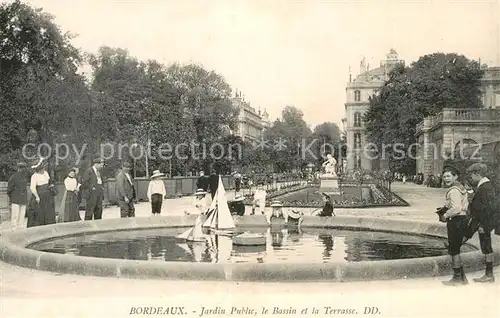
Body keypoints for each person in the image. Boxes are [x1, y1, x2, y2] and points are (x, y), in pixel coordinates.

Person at [464, 163, 497, 283]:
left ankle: (489, 275)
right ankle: (489, 275)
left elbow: (490, 208)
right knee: (485, 247)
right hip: (480, 221)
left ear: (477, 173)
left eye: (471, 175)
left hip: (483, 223)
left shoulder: (485, 187)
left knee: (487, 248)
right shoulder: (484, 186)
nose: (470, 177)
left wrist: (484, 225)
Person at [439, 166, 470, 286]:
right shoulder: (460, 188)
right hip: (461, 220)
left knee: (454, 251)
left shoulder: (453, 190)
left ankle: (457, 279)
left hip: (456, 221)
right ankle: (462, 278)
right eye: (444, 176)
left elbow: (456, 208)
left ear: (455, 176)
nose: (446, 178)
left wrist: (445, 215)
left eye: (448, 176)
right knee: (455, 248)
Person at [26, 158, 56, 227]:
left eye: (43, 168)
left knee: (49, 212)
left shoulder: (46, 173)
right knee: (39, 213)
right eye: (42, 169)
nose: (43, 170)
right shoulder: (34, 176)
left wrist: (51, 186)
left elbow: (49, 182)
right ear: (38, 169)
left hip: (47, 195)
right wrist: (37, 197)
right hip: (39, 195)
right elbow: (32, 188)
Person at [7, 162, 29, 230]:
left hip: (22, 199)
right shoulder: (14, 177)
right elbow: (9, 189)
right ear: (19, 168)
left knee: (22, 216)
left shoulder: (24, 177)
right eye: (22, 168)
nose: (24, 170)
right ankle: (14, 229)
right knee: (15, 216)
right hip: (15, 199)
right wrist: (12, 198)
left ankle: (20, 229)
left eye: (24, 168)